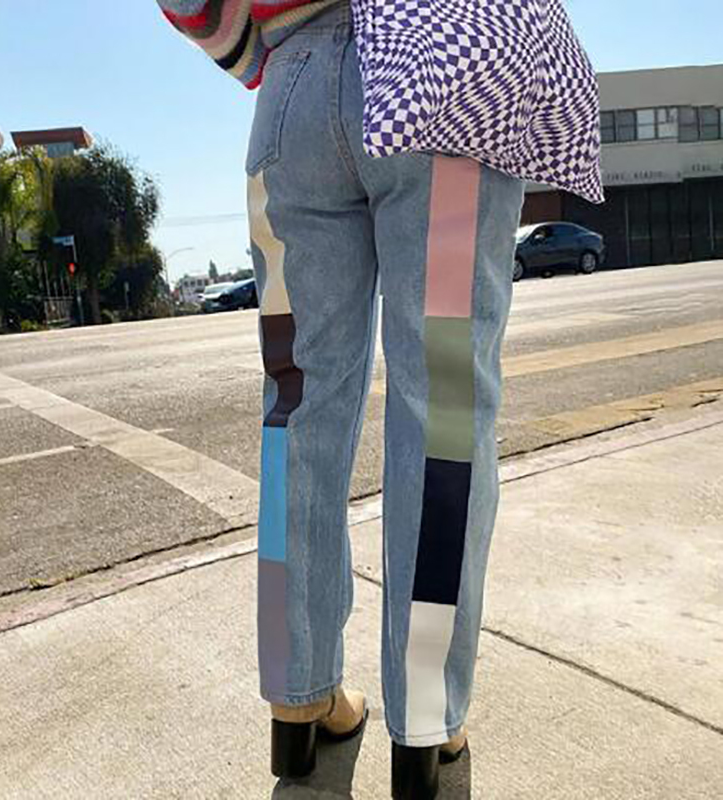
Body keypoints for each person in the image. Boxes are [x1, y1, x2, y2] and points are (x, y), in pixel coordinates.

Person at [157, 1, 575, 796]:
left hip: (294, 92)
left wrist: (271, 50)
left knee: (297, 405)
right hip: (445, 70)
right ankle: (425, 715)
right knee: (444, 404)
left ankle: (298, 698)